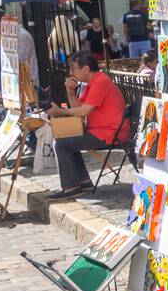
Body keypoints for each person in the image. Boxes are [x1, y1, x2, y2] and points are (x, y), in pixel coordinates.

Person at [49, 51, 129, 199]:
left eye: (73, 68)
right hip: (100, 130)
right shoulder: (92, 83)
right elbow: (78, 108)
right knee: (68, 139)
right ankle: (83, 182)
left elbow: (84, 111)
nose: (70, 72)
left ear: (85, 69)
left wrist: (60, 111)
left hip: (110, 133)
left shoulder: (100, 81)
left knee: (60, 144)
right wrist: (70, 91)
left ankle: (71, 187)